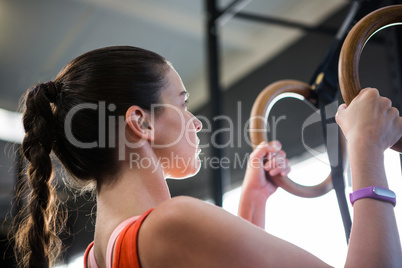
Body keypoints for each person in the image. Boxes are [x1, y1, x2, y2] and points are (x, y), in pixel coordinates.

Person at [13, 46, 401, 268]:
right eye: (181, 104)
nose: (195, 123)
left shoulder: (99, 257)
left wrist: (253, 203)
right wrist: (367, 148)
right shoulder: (173, 223)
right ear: (140, 123)